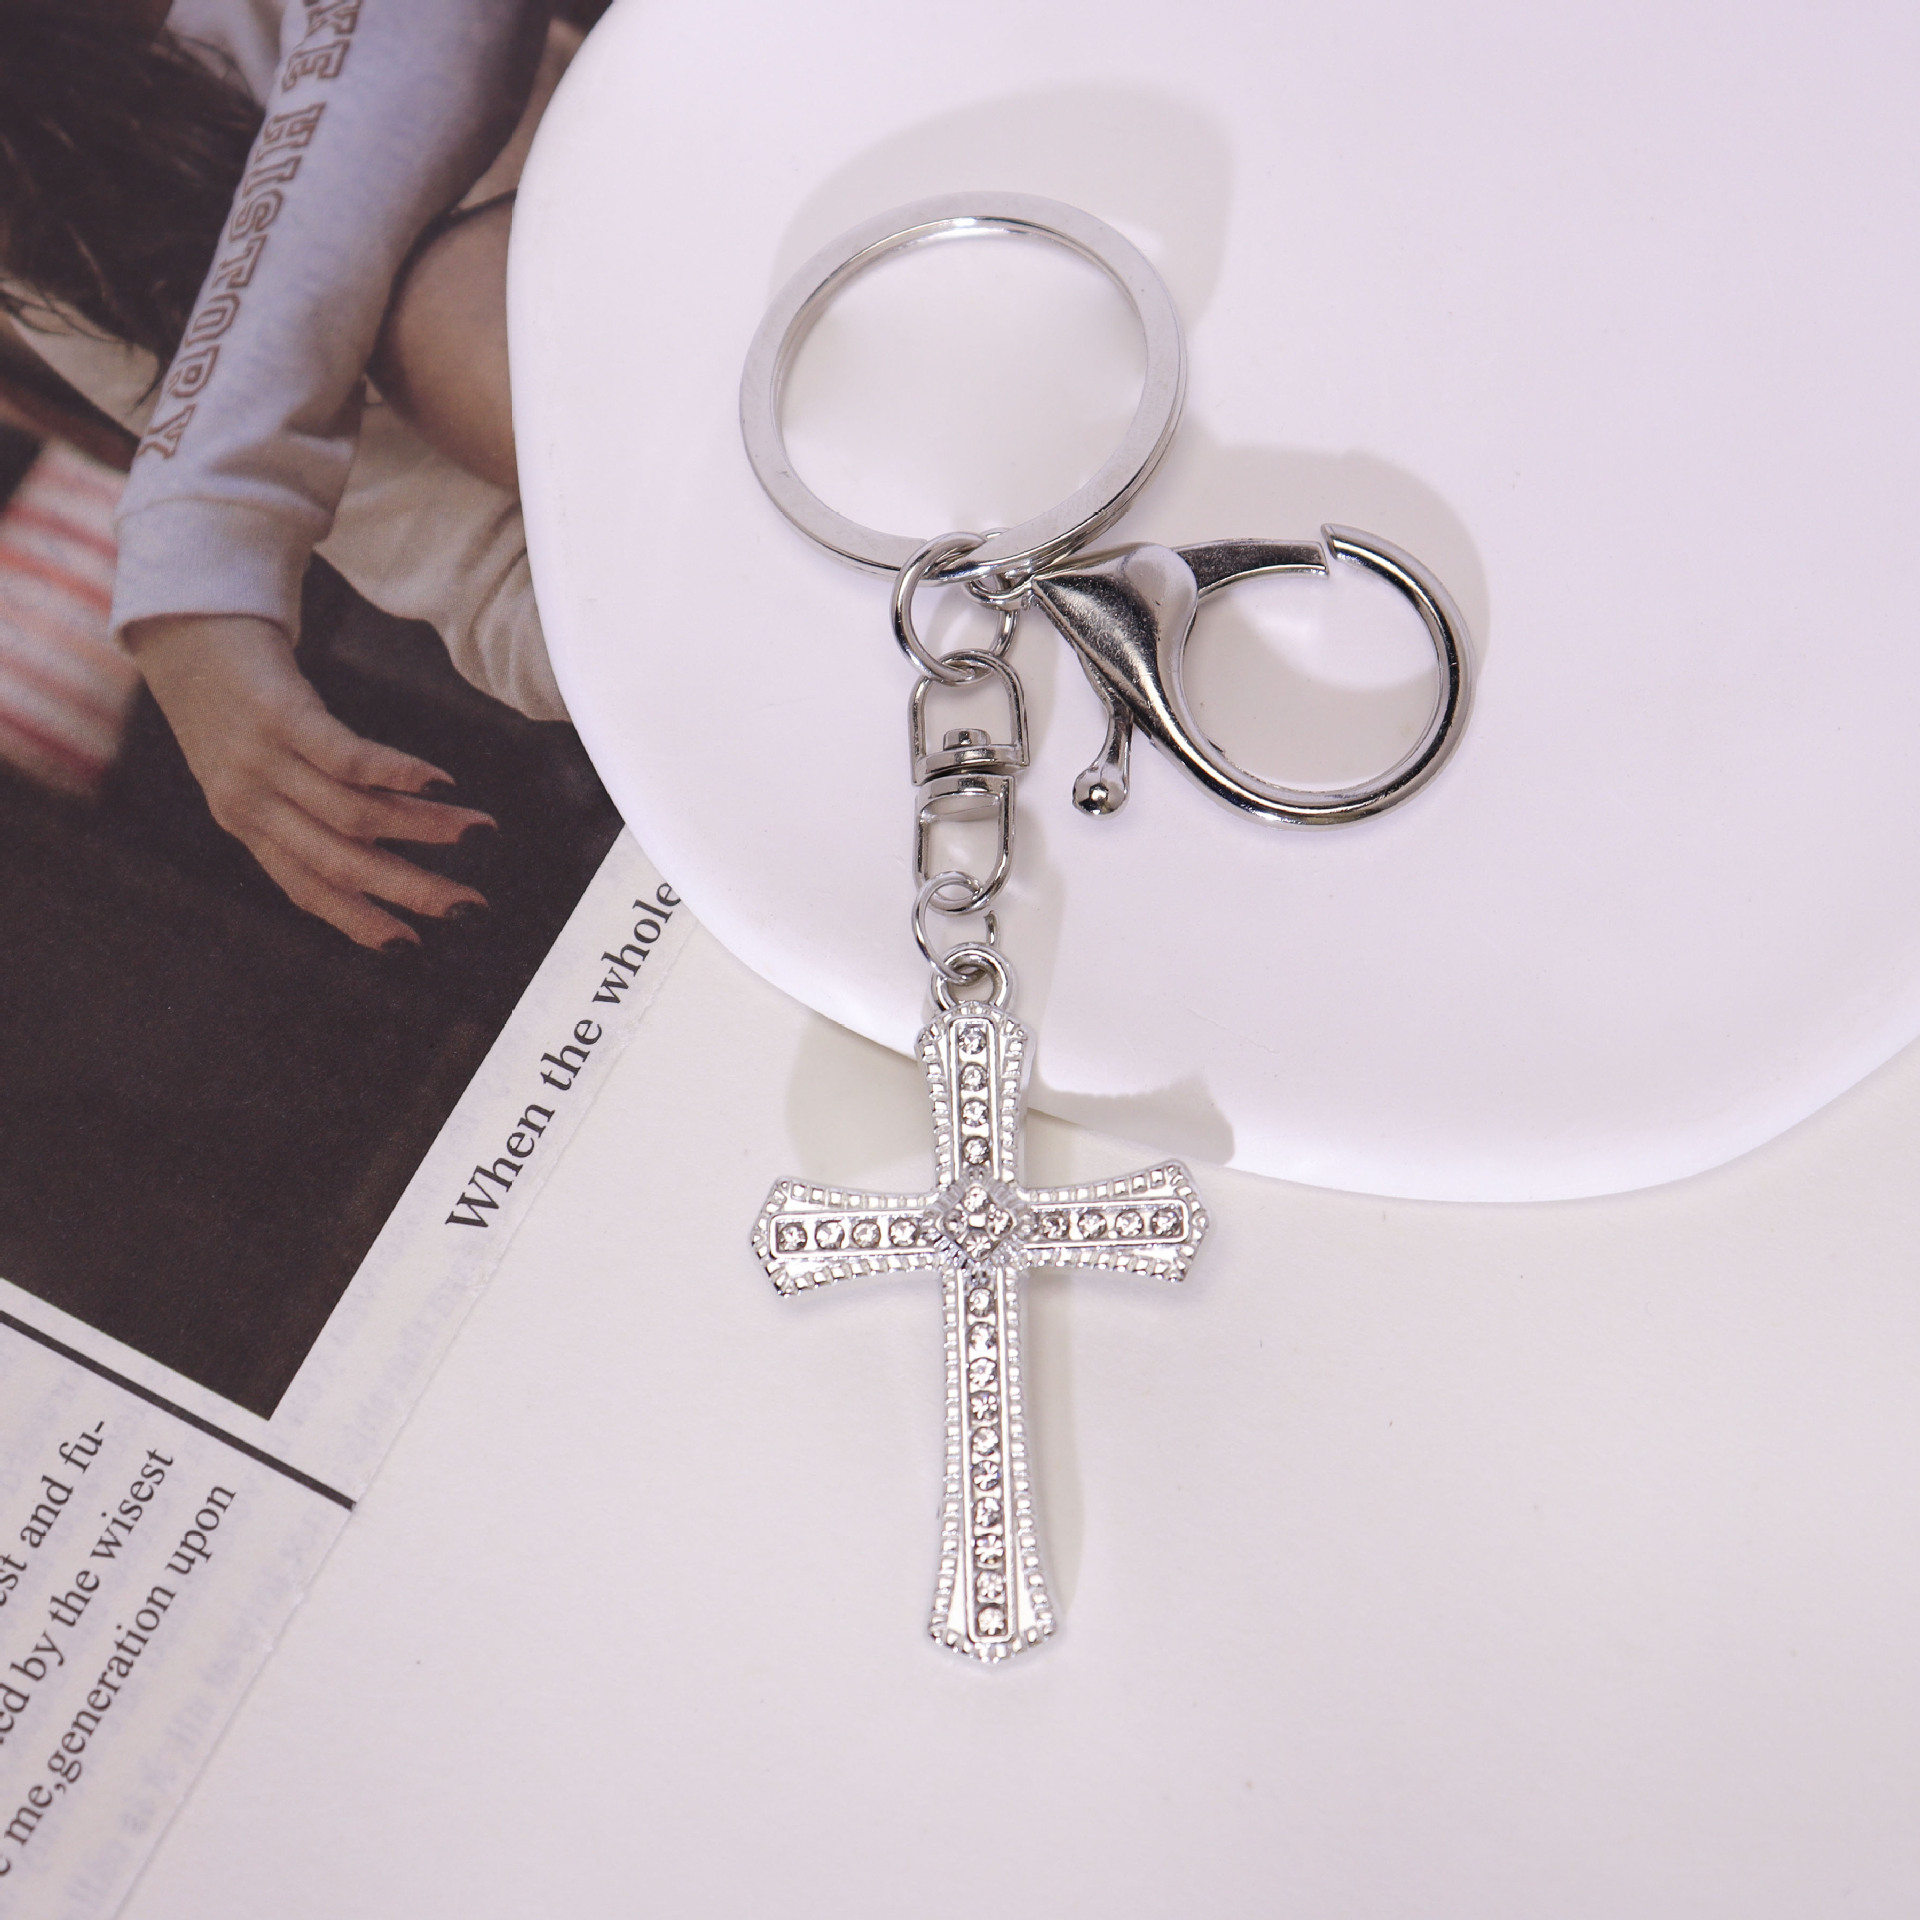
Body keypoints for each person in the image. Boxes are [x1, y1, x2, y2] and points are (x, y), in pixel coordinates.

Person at [0, 0, 572, 949]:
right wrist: (658, 668)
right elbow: (483, 570)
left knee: (442, 309)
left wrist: (201, 514)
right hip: (752, 512)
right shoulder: (36, 178)